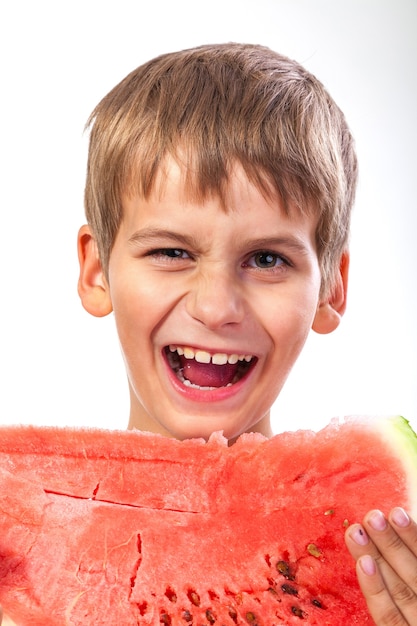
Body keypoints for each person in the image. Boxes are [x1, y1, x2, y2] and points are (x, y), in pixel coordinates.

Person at [4, 43, 416, 625]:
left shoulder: (394, 567)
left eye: (268, 260)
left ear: (331, 289)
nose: (216, 306)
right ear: (97, 272)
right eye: (172, 251)